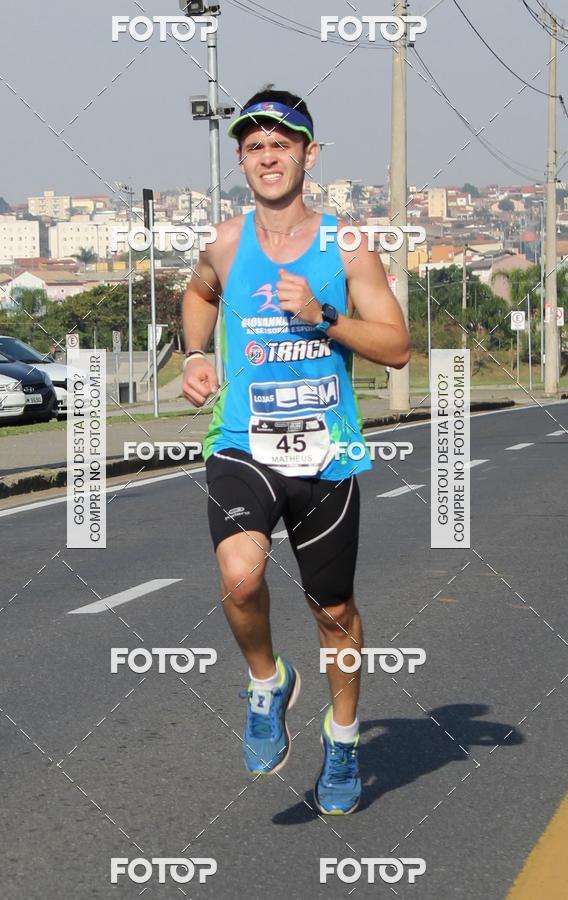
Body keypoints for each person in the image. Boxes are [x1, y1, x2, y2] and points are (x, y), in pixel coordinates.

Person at [182, 88, 410, 815]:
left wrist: (325, 315)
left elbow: (398, 348)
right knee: (241, 577)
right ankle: (266, 682)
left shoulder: (347, 248)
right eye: (254, 145)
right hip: (243, 443)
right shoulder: (225, 241)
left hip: (328, 453)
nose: (268, 156)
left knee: (333, 611)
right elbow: (198, 291)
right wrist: (192, 353)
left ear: (308, 154)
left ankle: (342, 742)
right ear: (242, 160)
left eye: (282, 143)